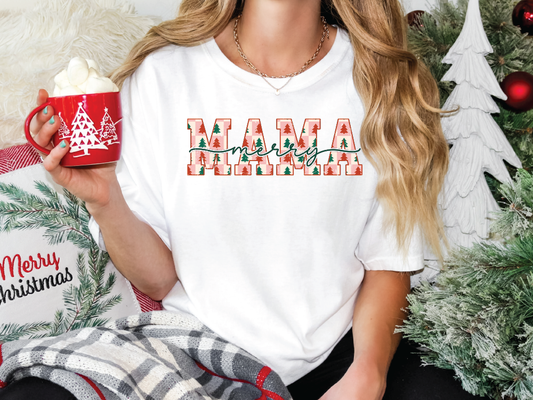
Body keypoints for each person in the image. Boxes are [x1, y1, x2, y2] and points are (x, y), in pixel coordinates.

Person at [1, 0, 452, 399]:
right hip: (194, 354)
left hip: (340, 355)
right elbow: (157, 281)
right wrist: (104, 198)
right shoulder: (163, 75)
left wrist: (366, 378)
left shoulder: (384, 84)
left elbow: (388, 262)